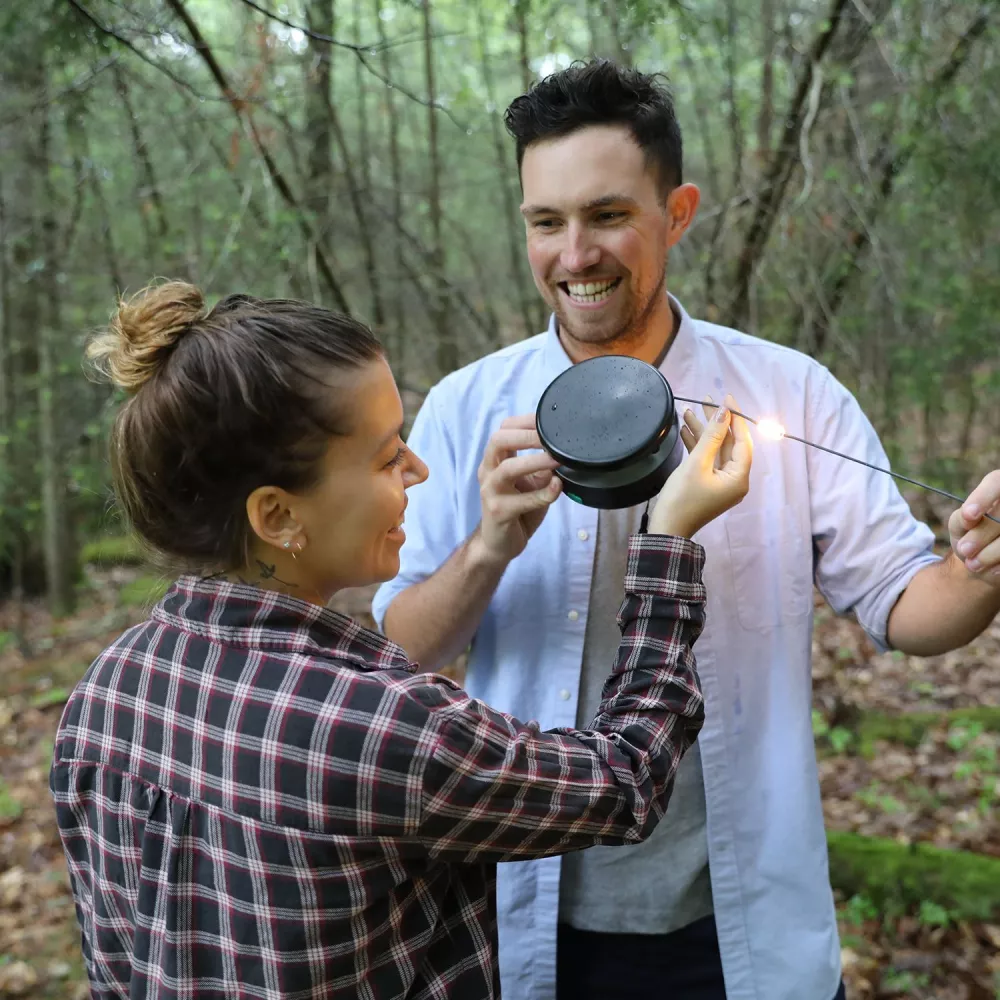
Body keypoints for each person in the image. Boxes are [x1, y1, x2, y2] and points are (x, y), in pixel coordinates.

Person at [372, 60, 1000, 1000]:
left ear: (679, 212)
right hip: (522, 926)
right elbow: (399, 654)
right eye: (546, 222)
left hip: (745, 927)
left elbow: (909, 608)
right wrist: (489, 545)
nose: (575, 253)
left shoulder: (790, 394)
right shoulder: (468, 409)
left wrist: (983, 567)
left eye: (609, 215)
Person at [49, 281, 754, 999]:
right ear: (277, 514)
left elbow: (115, 966)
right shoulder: (375, 725)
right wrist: (667, 538)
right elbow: (624, 783)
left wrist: (487, 545)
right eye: (388, 458)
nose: (418, 471)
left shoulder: (102, 699)